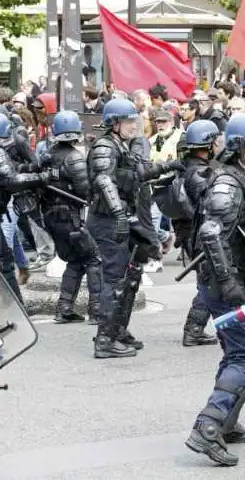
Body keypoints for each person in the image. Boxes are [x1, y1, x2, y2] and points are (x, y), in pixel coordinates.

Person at [185, 114, 245, 466]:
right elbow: (211, 234)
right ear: (238, 145)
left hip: (231, 282)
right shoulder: (229, 183)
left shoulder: (241, 176)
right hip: (226, 287)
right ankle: (207, 427)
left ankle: (228, 421)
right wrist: (230, 285)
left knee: (237, 351)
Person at [88, 99, 183, 359]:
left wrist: (167, 166)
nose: (135, 124)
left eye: (134, 120)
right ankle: (105, 339)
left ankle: (117, 330)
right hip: (108, 220)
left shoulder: (121, 145)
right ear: (114, 123)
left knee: (130, 278)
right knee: (114, 279)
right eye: (129, 120)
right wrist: (119, 213)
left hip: (120, 218)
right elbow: (103, 180)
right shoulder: (105, 146)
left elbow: (137, 172)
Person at [40, 111, 102, 324]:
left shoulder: (47, 155)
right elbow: (84, 191)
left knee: (76, 260)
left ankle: (64, 308)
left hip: (51, 217)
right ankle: (96, 310)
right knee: (94, 258)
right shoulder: (74, 157)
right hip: (70, 218)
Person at [0, 112, 55, 301]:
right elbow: (11, 179)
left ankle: (16, 305)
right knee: (4, 261)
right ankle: (13, 307)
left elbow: (15, 169)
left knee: (6, 256)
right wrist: (40, 178)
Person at [175, 120, 222, 347]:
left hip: (195, 234)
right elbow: (209, 197)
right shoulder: (196, 172)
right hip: (198, 236)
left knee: (211, 282)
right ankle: (193, 329)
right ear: (209, 143)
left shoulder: (195, 166)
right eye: (216, 140)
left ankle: (198, 329)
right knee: (209, 283)